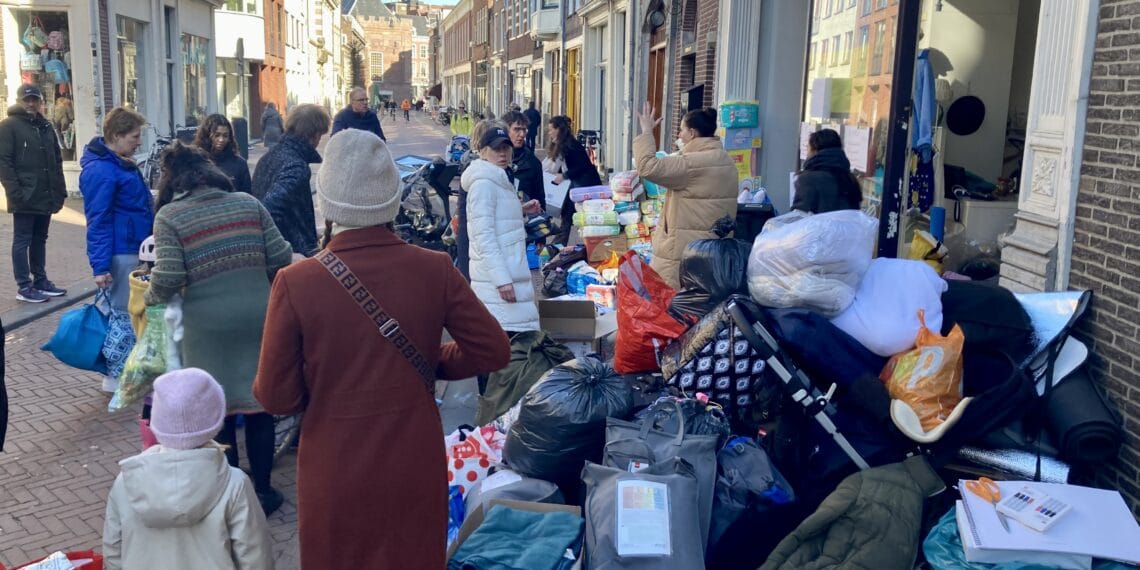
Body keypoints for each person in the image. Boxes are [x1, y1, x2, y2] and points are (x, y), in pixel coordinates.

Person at [253, 128, 510, 568]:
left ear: (328, 200)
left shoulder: (296, 283)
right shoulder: (434, 269)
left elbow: (277, 396)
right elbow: (492, 351)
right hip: (413, 456)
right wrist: (432, 361)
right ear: (391, 196)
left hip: (334, 463)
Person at [145, 141, 293, 514]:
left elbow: (171, 275)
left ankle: (230, 493)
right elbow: (280, 256)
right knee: (260, 406)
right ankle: (263, 491)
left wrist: (150, 296)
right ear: (210, 171)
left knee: (218, 408)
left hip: (206, 326)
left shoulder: (170, 217)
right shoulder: (248, 203)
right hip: (259, 316)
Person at [103, 368, 273, 570]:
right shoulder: (234, 484)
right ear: (216, 419)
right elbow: (255, 557)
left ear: (156, 421)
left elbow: (113, 551)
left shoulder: (127, 481)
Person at [79, 107, 154, 392]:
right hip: (121, 252)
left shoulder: (117, 164)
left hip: (131, 247)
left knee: (128, 312)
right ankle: (114, 377)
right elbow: (97, 220)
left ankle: (125, 372)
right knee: (121, 315)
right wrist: (99, 267)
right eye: (134, 136)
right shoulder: (102, 171)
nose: (138, 142)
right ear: (117, 136)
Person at [634, 102, 738, 288]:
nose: (679, 135)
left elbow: (647, 167)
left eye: (682, 130)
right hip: (714, 252)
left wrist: (647, 132)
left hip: (684, 253)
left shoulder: (691, 163)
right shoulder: (726, 160)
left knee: (675, 307)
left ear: (692, 133)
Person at [462, 125, 542, 334]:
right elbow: (484, 235)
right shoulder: (484, 184)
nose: (502, 153)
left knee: (514, 339)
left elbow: (498, 221)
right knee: (508, 338)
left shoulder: (498, 178)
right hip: (499, 278)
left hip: (510, 271)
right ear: (483, 151)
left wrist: (521, 210)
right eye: (496, 149)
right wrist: (502, 281)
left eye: (506, 148)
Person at [0, 85, 68, 303]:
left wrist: (60, 189)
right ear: (19, 101)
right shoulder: (8, 126)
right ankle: (24, 286)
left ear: (40, 102)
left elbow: (56, 161)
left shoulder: (46, 126)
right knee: (22, 240)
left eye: (34, 100)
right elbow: (4, 162)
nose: (30, 104)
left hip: (45, 193)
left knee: (40, 238)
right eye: (26, 100)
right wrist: (15, 192)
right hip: (25, 194)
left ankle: (40, 280)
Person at [252, 103, 330, 257]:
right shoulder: (296, 166)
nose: (319, 141)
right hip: (293, 256)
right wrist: (293, 247)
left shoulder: (268, 156)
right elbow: (268, 208)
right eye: (320, 135)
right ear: (313, 135)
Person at [546, 115, 602, 245]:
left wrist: (564, 176)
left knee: (582, 218)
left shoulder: (571, 145)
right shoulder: (565, 144)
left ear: (558, 129)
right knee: (568, 217)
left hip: (584, 187)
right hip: (577, 187)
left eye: (550, 130)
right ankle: (558, 247)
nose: (549, 133)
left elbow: (583, 166)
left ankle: (560, 247)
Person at [793, 128, 863, 214]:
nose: (807, 151)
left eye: (808, 146)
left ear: (814, 149)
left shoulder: (808, 179)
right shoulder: (850, 179)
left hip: (816, 227)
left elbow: (798, 217)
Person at [191, 114, 252, 195]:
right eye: (217, 135)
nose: (221, 140)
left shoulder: (240, 164)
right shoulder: (194, 163)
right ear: (206, 135)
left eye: (225, 136)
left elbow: (248, 196)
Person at [502, 110, 545, 212]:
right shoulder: (493, 158)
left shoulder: (532, 162)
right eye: (516, 129)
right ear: (505, 130)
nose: (522, 134)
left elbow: (539, 200)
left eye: (524, 130)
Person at [53, 94, 76, 161]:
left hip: (58, 126)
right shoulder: (67, 106)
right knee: (68, 144)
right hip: (65, 125)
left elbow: (56, 118)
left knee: (61, 143)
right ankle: (69, 157)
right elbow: (71, 116)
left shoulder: (56, 107)